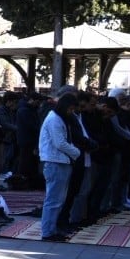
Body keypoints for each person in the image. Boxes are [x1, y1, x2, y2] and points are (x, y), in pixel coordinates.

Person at [38, 93, 80, 241]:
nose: (71, 113)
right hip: (55, 162)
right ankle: (48, 232)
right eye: (70, 109)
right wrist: (76, 152)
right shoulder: (54, 119)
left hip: (60, 161)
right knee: (54, 199)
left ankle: (51, 228)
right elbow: (59, 143)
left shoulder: (58, 118)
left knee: (58, 199)